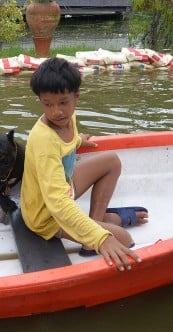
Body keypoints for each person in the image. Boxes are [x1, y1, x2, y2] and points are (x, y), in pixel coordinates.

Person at [20, 58, 145, 272]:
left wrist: (78, 141)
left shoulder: (68, 118)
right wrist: (101, 238)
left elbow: (66, 141)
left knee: (111, 161)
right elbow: (57, 203)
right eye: (47, 104)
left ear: (76, 97)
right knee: (124, 239)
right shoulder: (43, 140)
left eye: (63, 102)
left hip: (65, 186)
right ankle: (95, 232)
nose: (56, 111)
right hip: (46, 216)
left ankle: (93, 223)